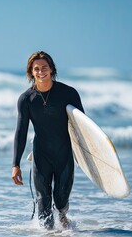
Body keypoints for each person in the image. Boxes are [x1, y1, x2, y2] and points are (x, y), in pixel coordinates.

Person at [11, 51, 84, 229]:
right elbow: (21, 132)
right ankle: (47, 233)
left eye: (44, 67)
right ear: (31, 72)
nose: (40, 71)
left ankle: (63, 218)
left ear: (51, 69)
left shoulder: (68, 93)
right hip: (41, 154)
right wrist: (16, 164)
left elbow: (82, 126)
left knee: (61, 200)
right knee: (43, 201)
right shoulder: (26, 99)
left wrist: (86, 156)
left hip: (64, 153)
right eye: (36, 69)